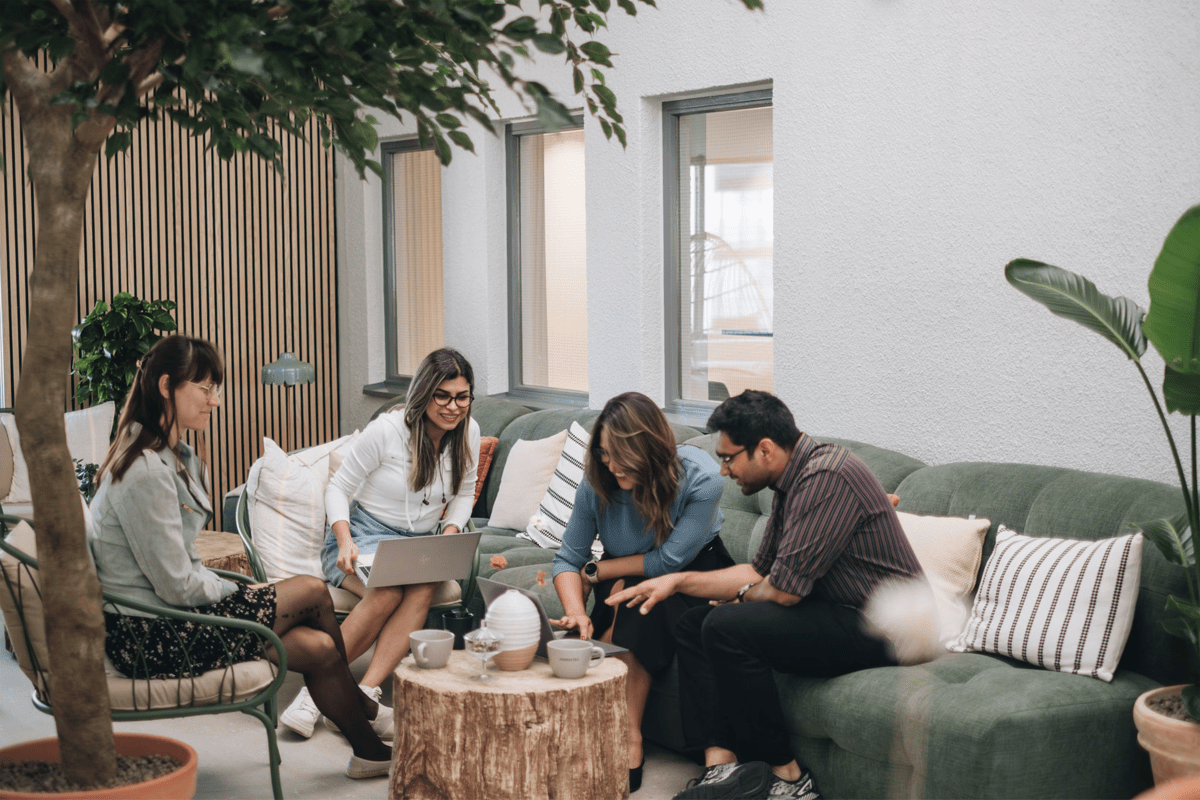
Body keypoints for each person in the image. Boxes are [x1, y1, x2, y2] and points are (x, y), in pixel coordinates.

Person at [89, 335, 393, 779]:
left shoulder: (164, 454)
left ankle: (367, 751)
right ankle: (360, 709)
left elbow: (178, 574)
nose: (215, 400)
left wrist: (242, 591)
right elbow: (178, 584)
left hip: (166, 617)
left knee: (320, 646)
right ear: (166, 385)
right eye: (205, 388)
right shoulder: (145, 470)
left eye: (217, 388)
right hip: (152, 636)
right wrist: (246, 589)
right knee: (310, 590)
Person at [607, 390, 924, 800]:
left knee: (725, 626)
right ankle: (722, 768)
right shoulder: (791, 483)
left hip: (887, 627)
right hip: (837, 611)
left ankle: (790, 779)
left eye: (728, 458)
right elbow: (757, 572)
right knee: (693, 623)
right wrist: (676, 582)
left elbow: (786, 593)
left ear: (766, 450)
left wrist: (741, 598)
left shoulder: (828, 478)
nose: (723, 471)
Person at [280, 347, 480, 738]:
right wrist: (343, 541)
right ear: (424, 393)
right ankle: (312, 696)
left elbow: (465, 493)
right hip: (364, 534)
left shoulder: (468, 432)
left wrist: (449, 535)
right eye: (443, 395)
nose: (454, 407)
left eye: (462, 396)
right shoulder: (387, 431)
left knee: (423, 583)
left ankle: (363, 692)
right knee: (387, 592)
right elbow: (338, 487)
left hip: (420, 544)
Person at [551, 392, 730, 793]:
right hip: (625, 570)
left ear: (648, 449)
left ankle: (630, 739)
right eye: (602, 454)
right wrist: (575, 609)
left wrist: (597, 571)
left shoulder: (701, 477)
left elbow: (668, 561)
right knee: (596, 626)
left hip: (695, 568)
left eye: (619, 456)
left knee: (633, 608)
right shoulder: (597, 481)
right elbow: (567, 559)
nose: (610, 465)